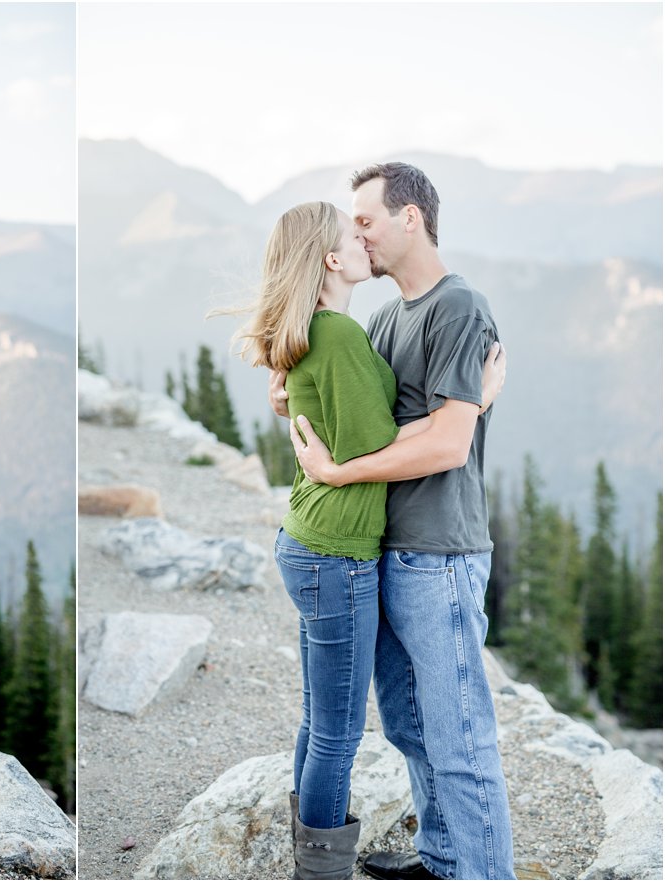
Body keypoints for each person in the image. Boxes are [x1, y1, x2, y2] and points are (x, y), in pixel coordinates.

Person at [234, 203, 503, 880]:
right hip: (336, 553)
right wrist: (472, 403)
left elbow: (330, 411)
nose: (363, 241)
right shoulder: (344, 335)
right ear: (331, 259)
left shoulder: (333, 331)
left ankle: (323, 865)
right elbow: (373, 443)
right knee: (336, 733)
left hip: (315, 541)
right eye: (352, 233)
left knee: (320, 723)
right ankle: (320, 873)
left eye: (368, 224)